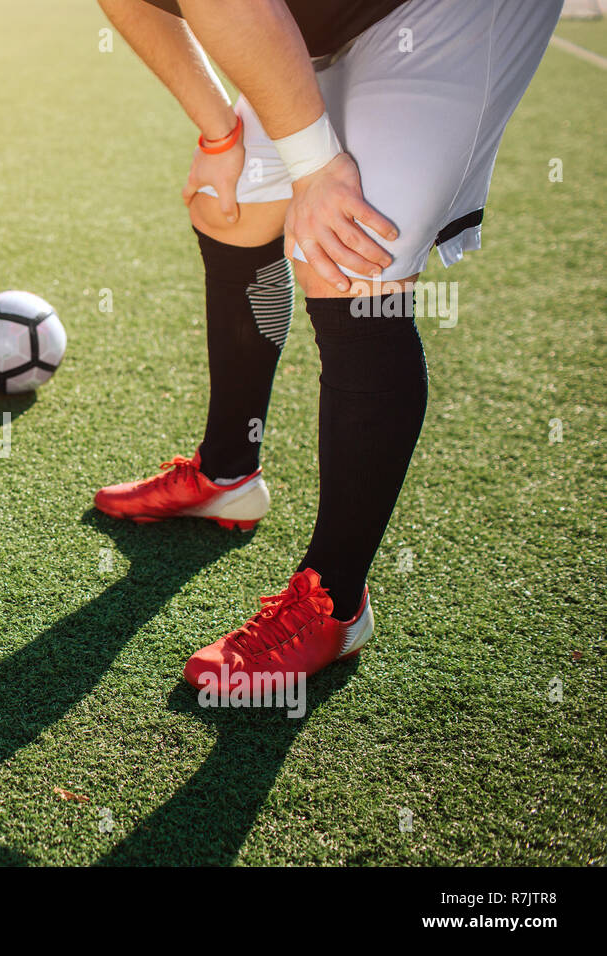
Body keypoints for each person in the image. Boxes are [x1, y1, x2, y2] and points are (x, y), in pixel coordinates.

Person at [92, 0, 562, 692]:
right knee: (228, 208)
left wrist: (316, 170)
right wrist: (220, 138)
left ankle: (336, 601)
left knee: (346, 257)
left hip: (443, 11)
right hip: (321, 15)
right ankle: (228, 475)